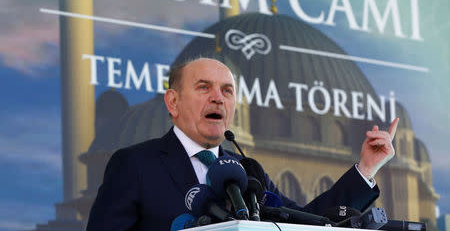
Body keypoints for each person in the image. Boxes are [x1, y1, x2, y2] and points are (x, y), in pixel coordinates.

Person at [86, 57, 398, 231]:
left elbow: (311, 223)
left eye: (227, 90)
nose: (217, 97)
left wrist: (366, 168)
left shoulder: (246, 172)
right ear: (173, 101)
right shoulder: (136, 165)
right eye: (204, 87)